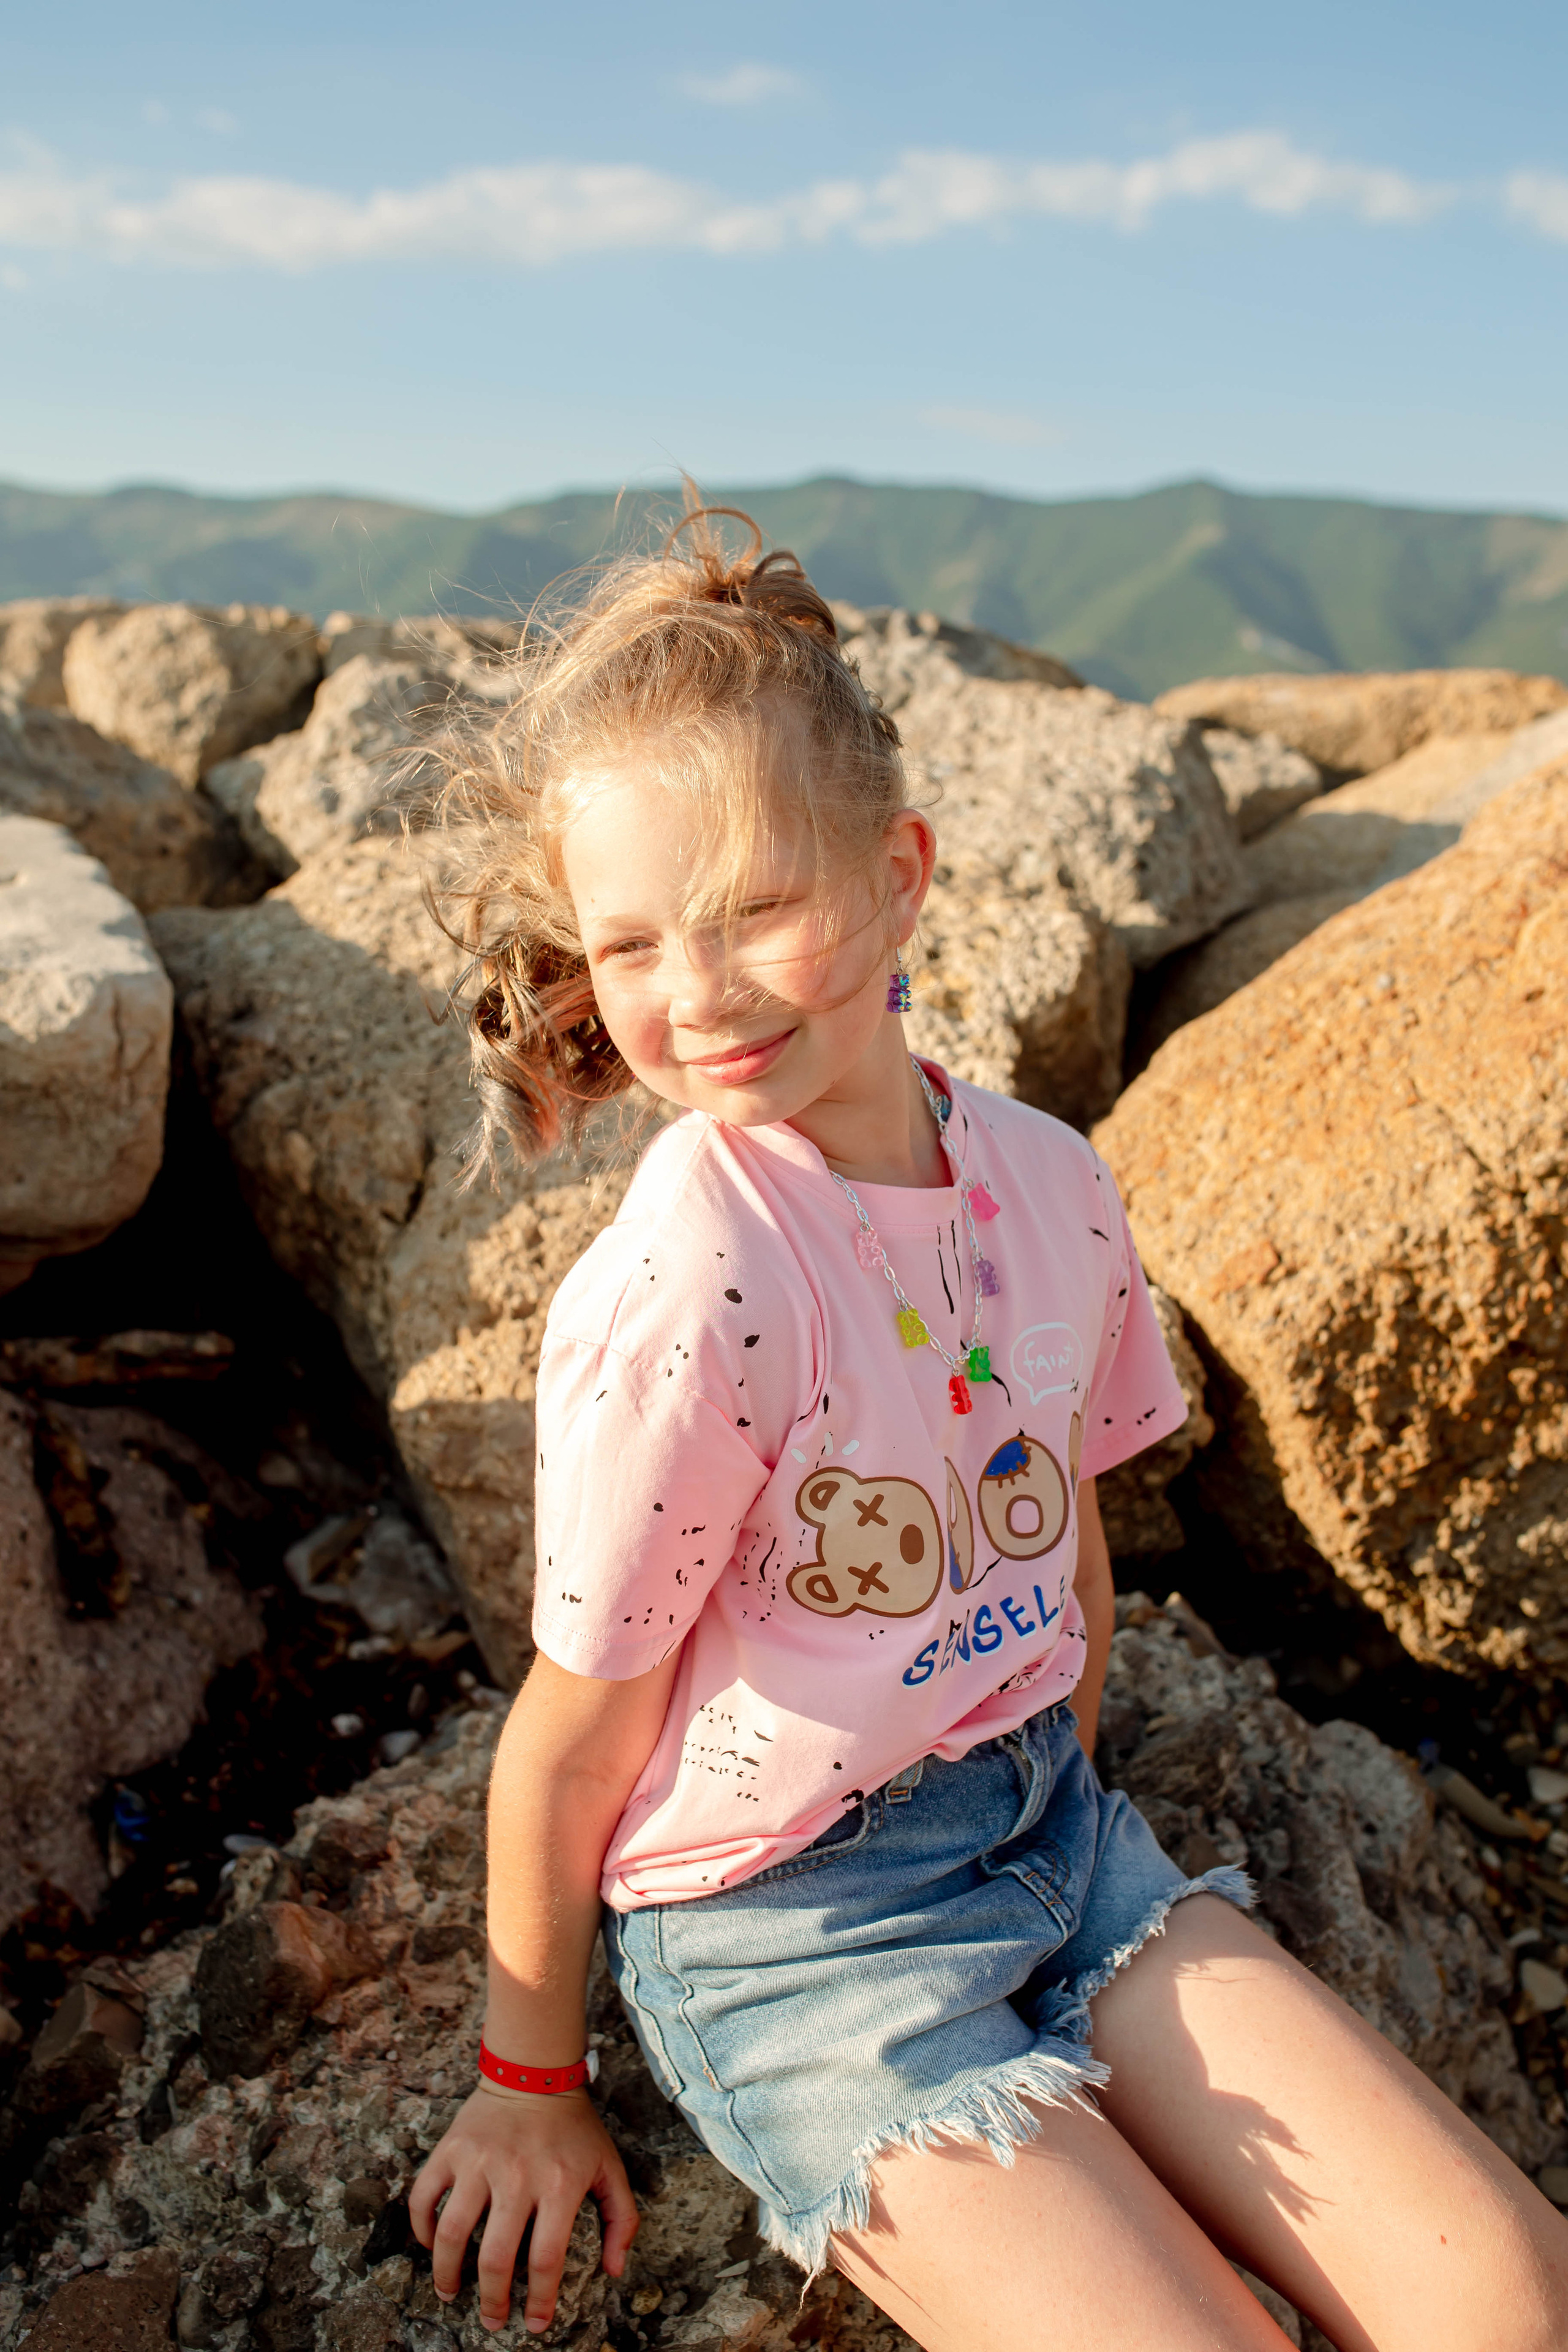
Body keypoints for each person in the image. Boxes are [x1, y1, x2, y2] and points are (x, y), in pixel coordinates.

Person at [409, 508, 1568, 2351]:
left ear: (902, 875)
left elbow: (1066, 1544)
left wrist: (1061, 1792)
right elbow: (573, 1733)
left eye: (757, 910)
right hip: (796, 1935)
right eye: (629, 944)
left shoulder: (1048, 1183)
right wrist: (524, 2081)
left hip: (1057, 1833)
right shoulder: (695, 1285)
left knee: (1505, 2303)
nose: (693, 993)